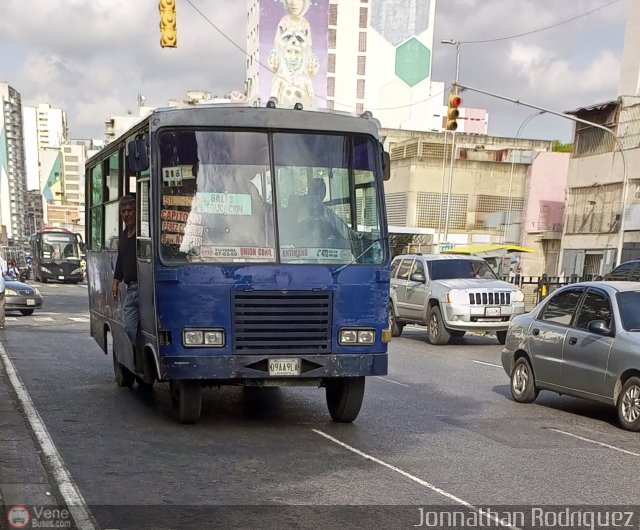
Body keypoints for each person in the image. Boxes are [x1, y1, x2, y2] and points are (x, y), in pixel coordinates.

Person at [268, 0, 319, 108]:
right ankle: (273, 99)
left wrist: (311, 66)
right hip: (285, 66)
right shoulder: (284, 21)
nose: (294, 3)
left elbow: (309, 48)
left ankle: (312, 103)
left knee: (307, 83)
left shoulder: (305, 24)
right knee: (278, 80)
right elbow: (276, 45)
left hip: (300, 68)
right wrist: (275, 60)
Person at [112, 195, 138, 347]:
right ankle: (137, 354)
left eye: (130, 210)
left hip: (146, 288)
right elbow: (121, 259)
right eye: (124, 211)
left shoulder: (143, 234)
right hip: (131, 289)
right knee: (129, 327)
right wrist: (116, 282)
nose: (127, 214)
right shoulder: (122, 236)